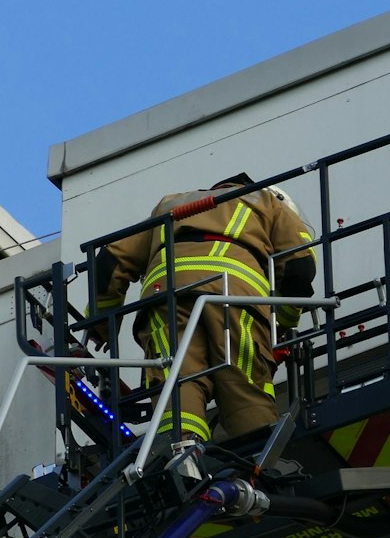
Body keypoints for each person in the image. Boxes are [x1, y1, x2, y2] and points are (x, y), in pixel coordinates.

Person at [88, 176, 318, 441]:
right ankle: (259, 463)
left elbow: (110, 262)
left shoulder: (169, 204)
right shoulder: (268, 202)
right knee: (243, 385)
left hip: (167, 296)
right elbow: (300, 268)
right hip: (234, 296)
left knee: (177, 379)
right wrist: (281, 326)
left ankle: (181, 454)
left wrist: (100, 325)